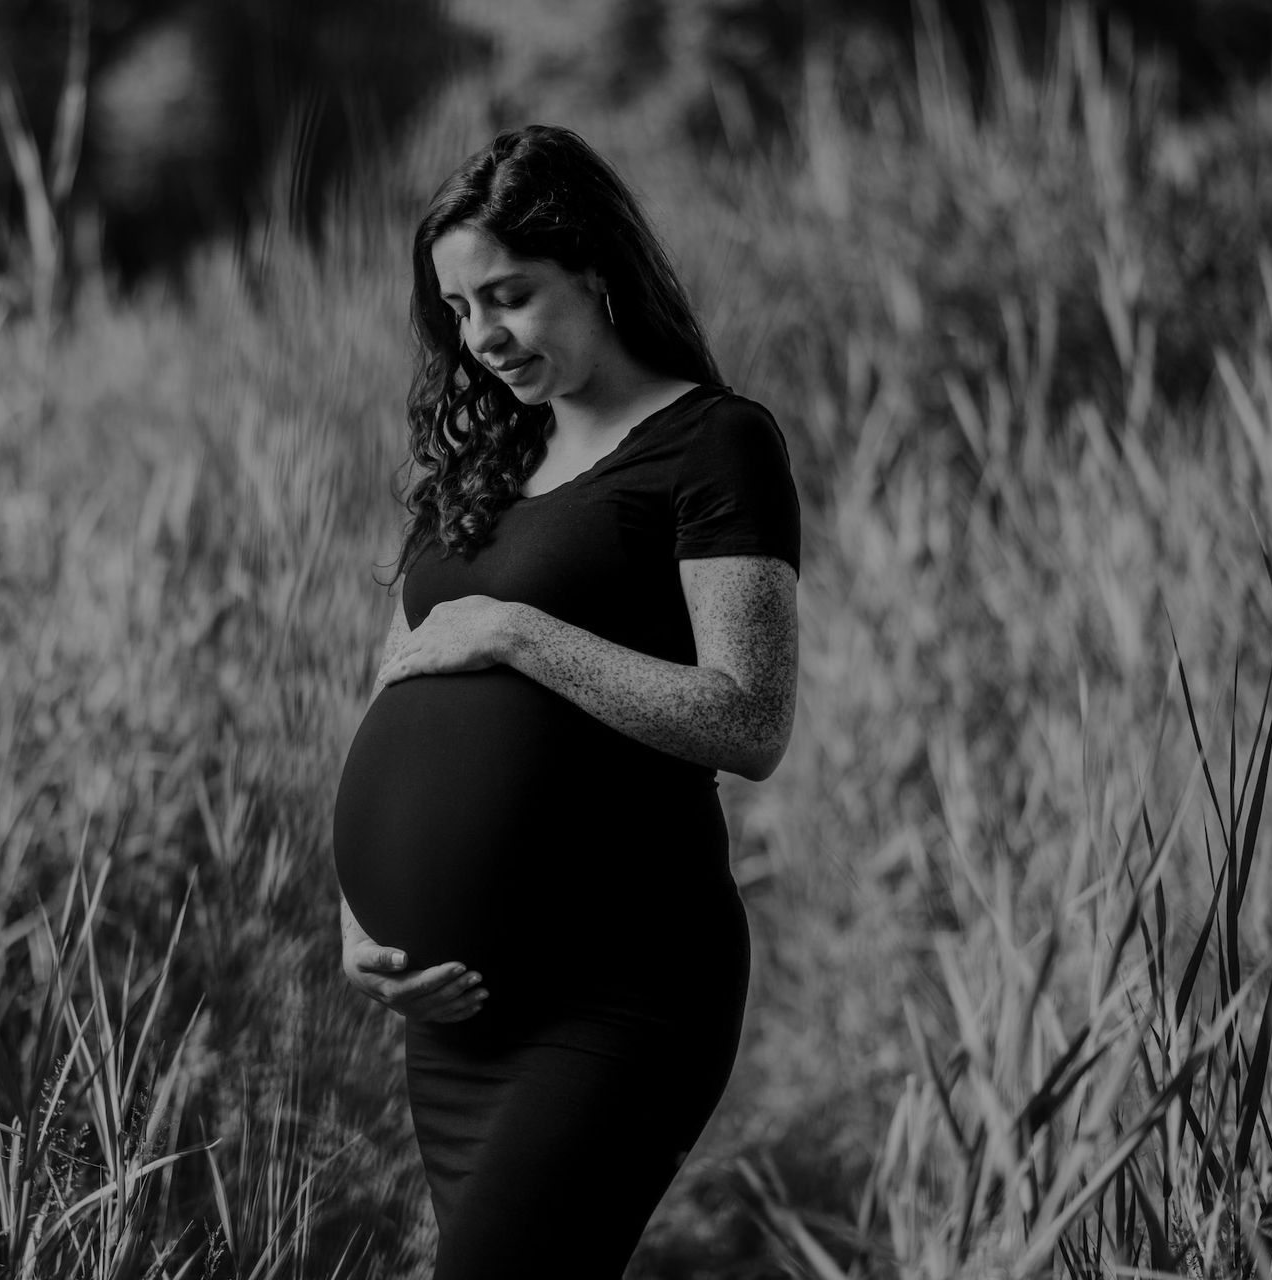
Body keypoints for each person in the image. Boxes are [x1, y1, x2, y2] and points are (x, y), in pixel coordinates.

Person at [329, 124, 800, 1279]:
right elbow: (397, 686)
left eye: (510, 295)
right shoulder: (480, 461)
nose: (483, 337)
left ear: (593, 266)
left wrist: (525, 630)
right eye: (458, 311)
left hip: (623, 989)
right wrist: (363, 923)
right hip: (456, 1018)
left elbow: (748, 719)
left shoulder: (715, 446)